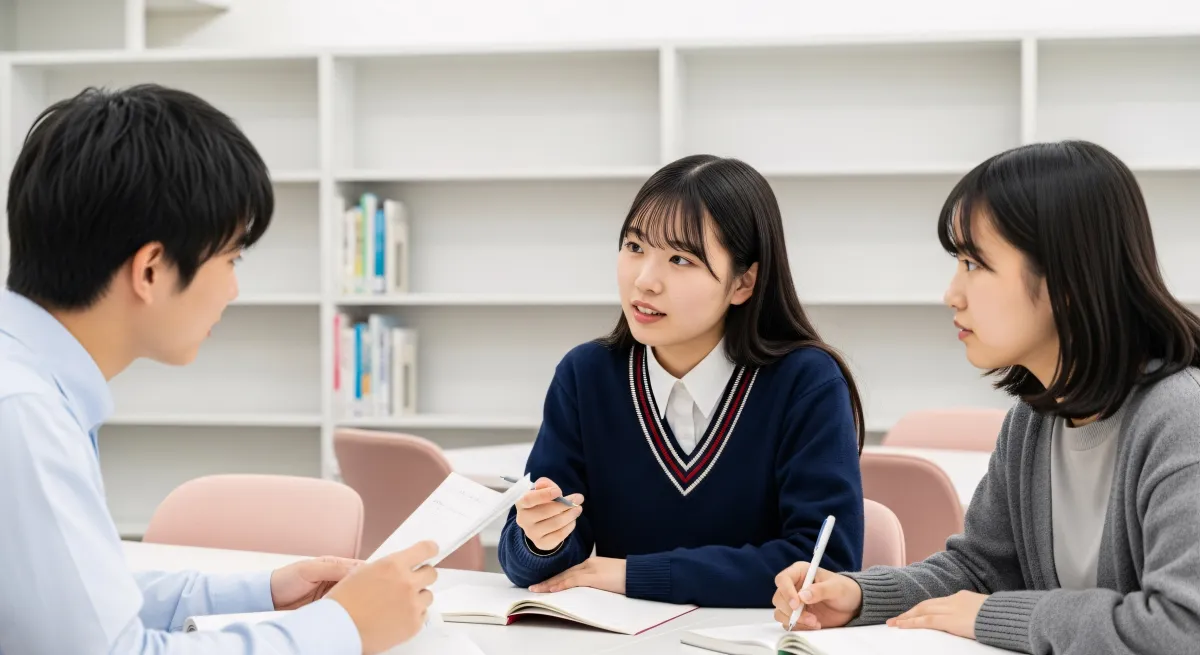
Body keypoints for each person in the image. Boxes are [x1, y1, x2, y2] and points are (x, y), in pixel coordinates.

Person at [0, 84, 438, 655]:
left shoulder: (28, 386)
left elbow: (69, 602)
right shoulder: (23, 415)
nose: (234, 289)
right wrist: (344, 629)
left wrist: (262, 592)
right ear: (151, 270)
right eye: (230, 258)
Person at [770, 141, 1200, 654]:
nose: (952, 293)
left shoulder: (1180, 418)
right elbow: (981, 569)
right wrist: (861, 595)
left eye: (974, 264)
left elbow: (1181, 628)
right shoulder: (1035, 419)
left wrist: (1002, 616)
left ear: (1065, 278)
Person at [496, 154, 866, 608]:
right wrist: (540, 541)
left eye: (680, 258)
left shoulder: (805, 383)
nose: (646, 281)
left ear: (743, 283)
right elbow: (534, 566)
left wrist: (635, 574)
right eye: (634, 247)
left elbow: (823, 566)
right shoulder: (586, 375)